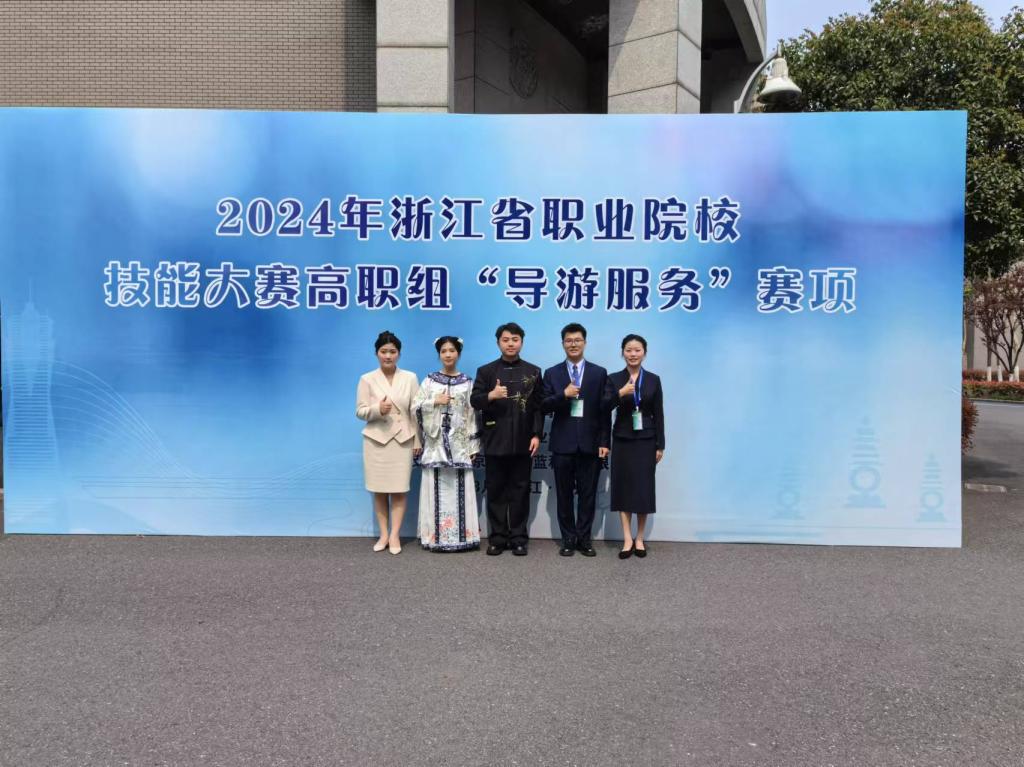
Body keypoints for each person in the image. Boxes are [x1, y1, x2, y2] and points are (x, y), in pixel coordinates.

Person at [471, 322, 543, 557]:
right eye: (505, 340)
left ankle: (519, 538)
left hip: (524, 441)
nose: (510, 344)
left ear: (521, 342)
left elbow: (538, 407)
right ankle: (498, 538)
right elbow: (474, 400)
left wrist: (536, 434)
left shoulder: (533, 371)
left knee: (521, 491)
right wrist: (491, 395)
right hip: (495, 440)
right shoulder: (486, 371)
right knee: (496, 491)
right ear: (498, 343)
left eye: (515, 339)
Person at [541, 323, 609, 557]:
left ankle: (584, 539)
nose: (573, 344)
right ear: (563, 344)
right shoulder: (552, 373)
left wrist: (604, 441)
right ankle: (568, 539)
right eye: (569, 341)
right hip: (563, 444)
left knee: (588, 494)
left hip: (591, 443)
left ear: (585, 343)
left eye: (577, 340)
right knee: (564, 495)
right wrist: (564, 394)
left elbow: (604, 410)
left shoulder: (599, 373)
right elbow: (543, 405)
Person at [411, 336, 482, 552]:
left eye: (452, 350)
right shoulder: (430, 381)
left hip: (459, 446)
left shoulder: (467, 382)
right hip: (435, 446)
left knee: (460, 487)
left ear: (458, 353)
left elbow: (472, 415)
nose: (448, 354)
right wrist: (434, 401)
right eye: (444, 351)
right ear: (439, 354)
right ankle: (435, 538)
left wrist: (473, 445)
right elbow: (415, 407)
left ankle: (462, 537)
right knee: (435, 488)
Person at [355, 330, 421, 555]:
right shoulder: (367, 379)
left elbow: (415, 412)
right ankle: (383, 534)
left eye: (392, 351)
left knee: (399, 490)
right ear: (376, 353)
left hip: (402, 440)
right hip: (376, 441)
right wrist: (377, 409)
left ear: (399, 354)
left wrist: (417, 440)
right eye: (384, 351)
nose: (388, 356)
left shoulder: (410, 378)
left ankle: (395, 535)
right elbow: (360, 411)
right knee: (380, 490)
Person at [603, 334, 664, 559]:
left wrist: (660, 445)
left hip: (646, 440)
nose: (633, 354)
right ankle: (627, 538)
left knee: (643, 489)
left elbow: (659, 413)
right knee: (624, 487)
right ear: (622, 353)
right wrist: (620, 393)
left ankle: (640, 538)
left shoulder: (653, 380)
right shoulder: (614, 378)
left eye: (637, 350)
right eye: (629, 350)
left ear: (644, 353)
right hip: (622, 439)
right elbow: (603, 406)